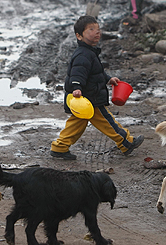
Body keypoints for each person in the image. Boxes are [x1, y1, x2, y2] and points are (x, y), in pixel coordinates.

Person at [50, 15, 144, 160]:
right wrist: (77, 87)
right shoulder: (83, 55)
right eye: (91, 29)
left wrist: (108, 79)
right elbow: (77, 73)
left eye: (98, 29)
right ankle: (126, 142)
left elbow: (95, 73)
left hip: (86, 99)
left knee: (75, 125)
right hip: (89, 99)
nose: (97, 32)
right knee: (108, 121)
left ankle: (59, 147)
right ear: (79, 36)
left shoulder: (90, 52)